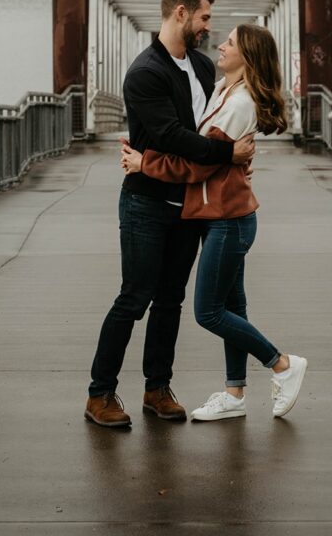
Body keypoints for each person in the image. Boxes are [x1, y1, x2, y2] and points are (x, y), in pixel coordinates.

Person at [85, 0, 255, 428]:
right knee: (134, 297)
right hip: (146, 204)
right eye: (203, 18)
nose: (207, 28)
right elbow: (174, 139)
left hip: (187, 206)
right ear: (180, 13)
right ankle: (100, 393)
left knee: (170, 301)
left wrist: (235, 159)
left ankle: (157, 388)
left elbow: (217, 124)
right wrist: (228, 155)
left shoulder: (201, 68)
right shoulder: (145, 73)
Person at [121, 23, 307, 421]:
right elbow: (210, 152)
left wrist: (144, 163)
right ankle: (235, 394)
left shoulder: (240, 104)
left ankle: (282, 364)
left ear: (247, 57)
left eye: (231, 43)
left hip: (228, 220)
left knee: (208, 312)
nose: (219, 45)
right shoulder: (223, 89)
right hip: (220, 215)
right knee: (233, 305)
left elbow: (200, 165)